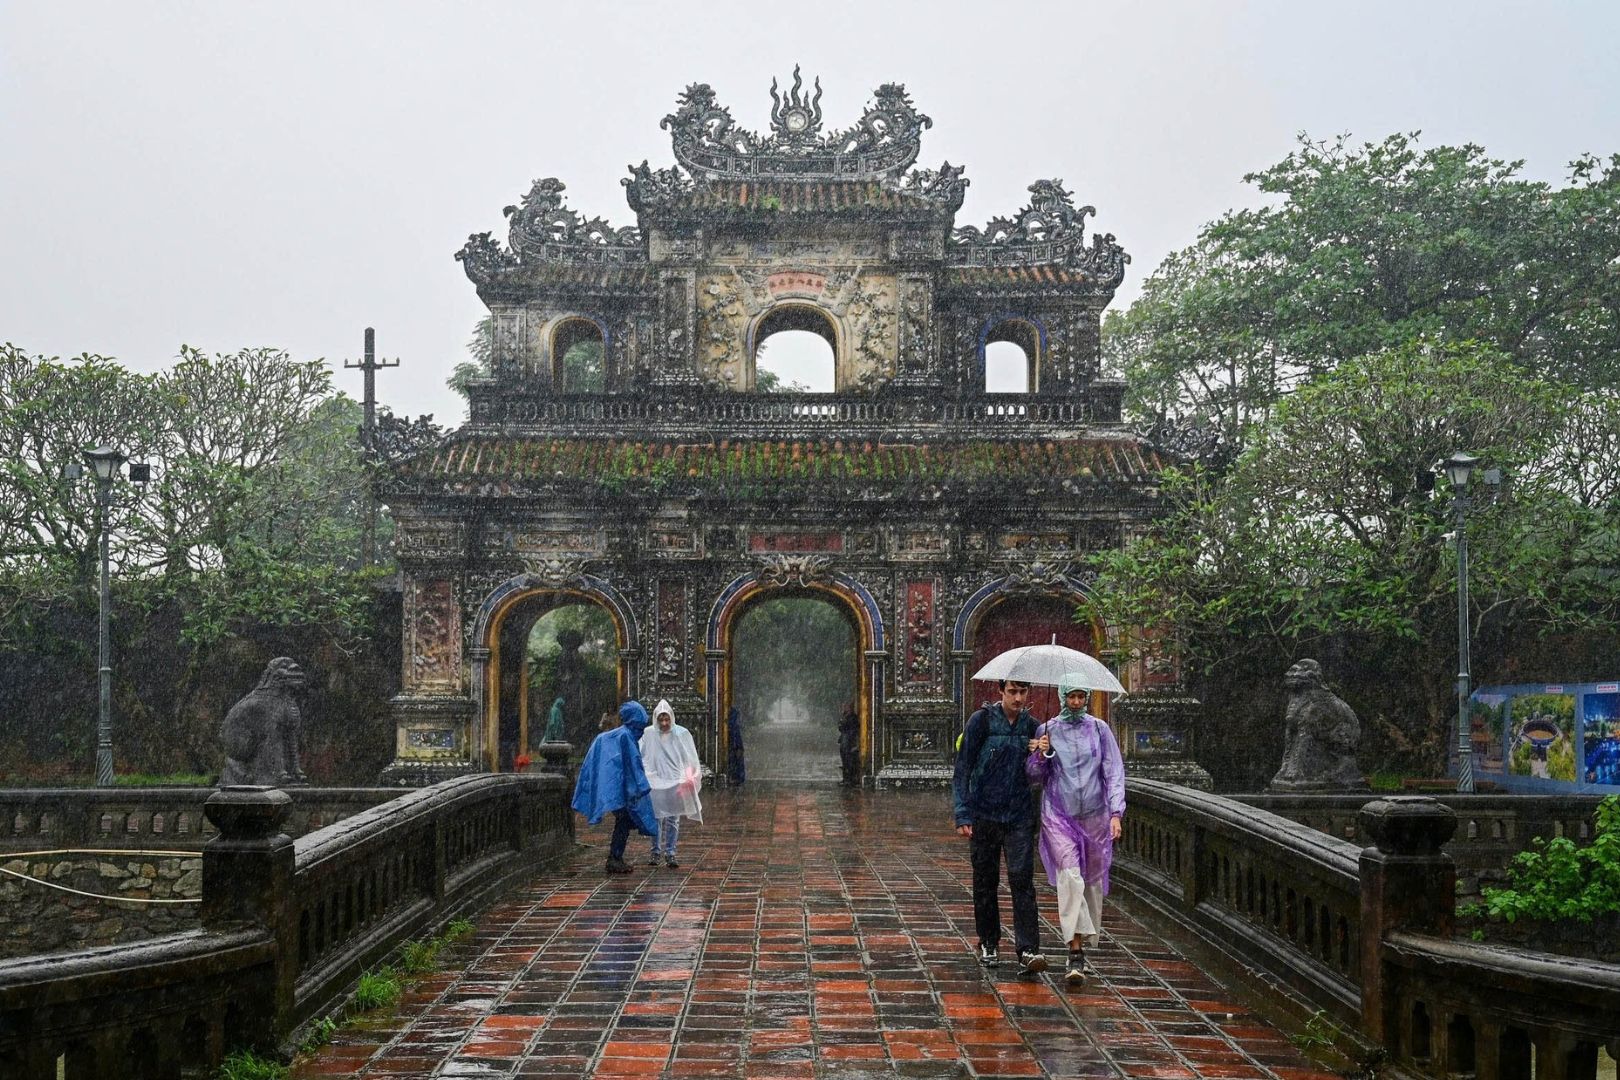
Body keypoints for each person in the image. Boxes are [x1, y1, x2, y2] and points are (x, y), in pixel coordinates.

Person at [1025, 676, 1124, 988]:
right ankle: (1075, 950)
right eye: (1072, 696)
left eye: (1082, 696)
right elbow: (1034, 775)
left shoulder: (1099, 730)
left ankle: (1080, 941)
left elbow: (1113, 771)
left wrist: (1116, 812)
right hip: (1058, 813)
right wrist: (1040, 754)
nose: (1077, 702)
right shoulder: (1048, 729)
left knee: (1091, 883)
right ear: (1062, 697)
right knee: (1071, 877)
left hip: (1094, 814)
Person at [952, 679, 1046, 975]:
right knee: (985, 879)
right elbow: (963, 768)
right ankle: (989, 940)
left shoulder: (1033, 727)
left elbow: (1042, 773)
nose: (1018, 698)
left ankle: (1028, 948)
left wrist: (1042, 751)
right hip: (984, 813)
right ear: (1001, 692)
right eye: (1012, 692)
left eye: (1023, 692)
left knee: (1022, 880)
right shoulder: (981, 721)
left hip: (1019, 814)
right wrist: (963, 813)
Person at [570, 700, 657, 873]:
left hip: (616, 786)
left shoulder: (615, 735)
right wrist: (641, 786)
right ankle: (615, 857)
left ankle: (615, 856)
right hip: (622, 788)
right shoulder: (626, 736)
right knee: (625, 820)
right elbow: (633, 764)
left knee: (624, 820)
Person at [640, 699, 702, 868]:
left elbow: (689, 757)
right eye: (661, 719)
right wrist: (647, 775)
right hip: (655, 781)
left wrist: (688, 776)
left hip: (675, 780)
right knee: (656, 816)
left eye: (667, 719)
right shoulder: (649, 734)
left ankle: (670, 852)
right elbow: (642, 755)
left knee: (673, 817)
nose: (664, 723)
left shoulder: (680, 734)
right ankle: (655, 851)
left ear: (672, 718)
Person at [837, 700, 860, 785]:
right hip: (845, 741)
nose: (844, 708)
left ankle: (850, 779)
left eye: (845, 706)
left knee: (849, 761)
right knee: (845, 760)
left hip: (849, 742)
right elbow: (840, 727)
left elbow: (848, 728)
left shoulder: (852, 718)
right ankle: (847, 778)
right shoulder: (845, 717)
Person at [727, 705, 746, 785]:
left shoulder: (732, 719)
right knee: (736, 759)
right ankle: (737, 777)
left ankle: (736, 777)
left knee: (735, 758)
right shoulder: (734, 718)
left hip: (733, 743)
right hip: (734, 743)